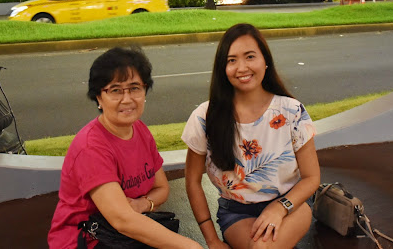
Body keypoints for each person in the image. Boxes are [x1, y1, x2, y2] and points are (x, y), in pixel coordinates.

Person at [48, 46, 202, 249]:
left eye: (135, 88)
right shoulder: (91, 147)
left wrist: (142, 204)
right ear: (98, 97)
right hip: (89, 240)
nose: (127, 99)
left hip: (126, 235)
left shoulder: (139, 130)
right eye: (115, 90)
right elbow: (123, 220)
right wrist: (191, 247)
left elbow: (162, 188)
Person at [182, 23, 320, 248]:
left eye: (250, 56)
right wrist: (212, 240)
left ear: (265, 61)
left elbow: (312, 178)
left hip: (291, 205)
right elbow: (192, 181)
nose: (242, 67)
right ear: (222, 68)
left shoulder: (291, 111)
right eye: (232, 60)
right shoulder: (205, 116)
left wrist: (279, 208)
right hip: (237, 213)